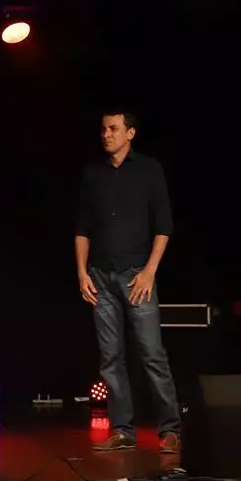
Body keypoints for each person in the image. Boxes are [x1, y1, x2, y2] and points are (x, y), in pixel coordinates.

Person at [74, 109, 181, 453]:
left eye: (113, 129)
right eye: (103, 129)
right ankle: (123, 429)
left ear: (130, 133)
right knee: (111, 358)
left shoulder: (149, 169)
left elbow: (163, 227)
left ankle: (170, 429)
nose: (106, 134)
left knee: (152, 353)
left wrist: (149, 272)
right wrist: (82, 272)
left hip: (137, 275)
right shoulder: (93, 172)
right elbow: (82, 228)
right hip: (100, 276)